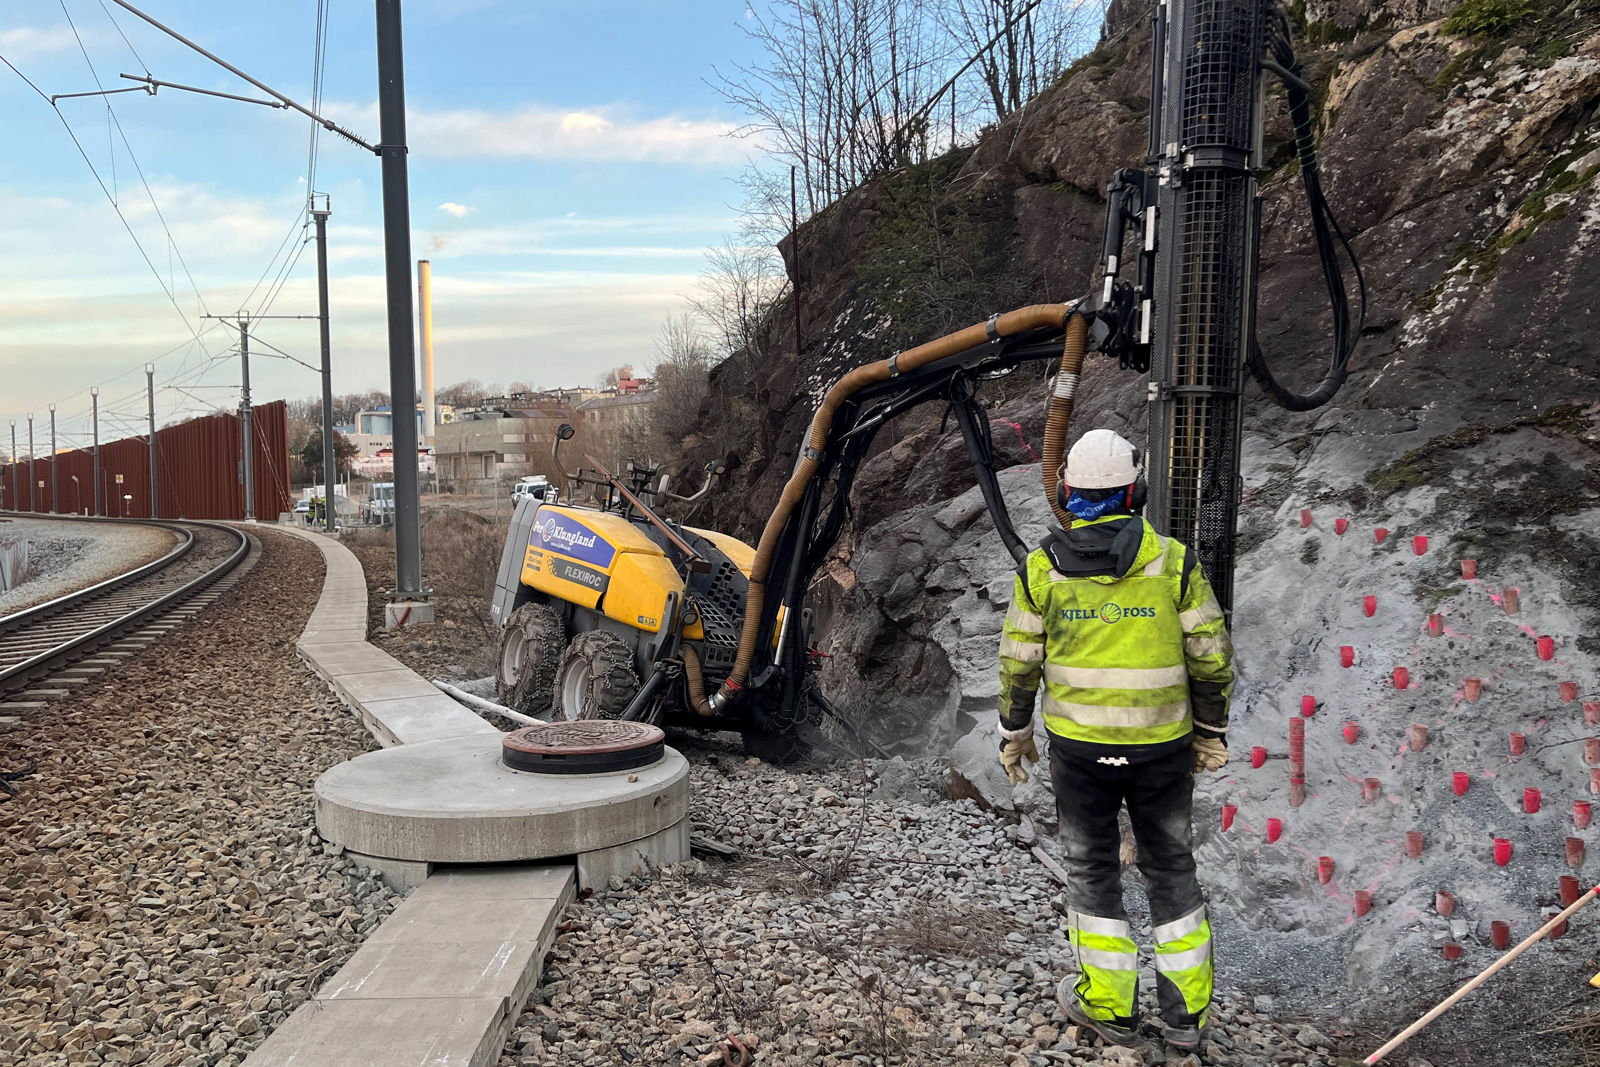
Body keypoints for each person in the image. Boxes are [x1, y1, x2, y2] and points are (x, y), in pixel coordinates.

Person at [996, 427, 1234, 1052]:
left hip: (1078, 754)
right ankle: (1186, 1019)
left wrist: (1014, 731)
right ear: (1137, 491)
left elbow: (1019, 662)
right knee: (1172, 870)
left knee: (1092, 870)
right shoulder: (1174, 562)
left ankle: (1110, 1006)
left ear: (1068, 492)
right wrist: (1211, 731)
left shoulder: (1041, 569)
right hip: (1163, 751)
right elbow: (1211, 657)